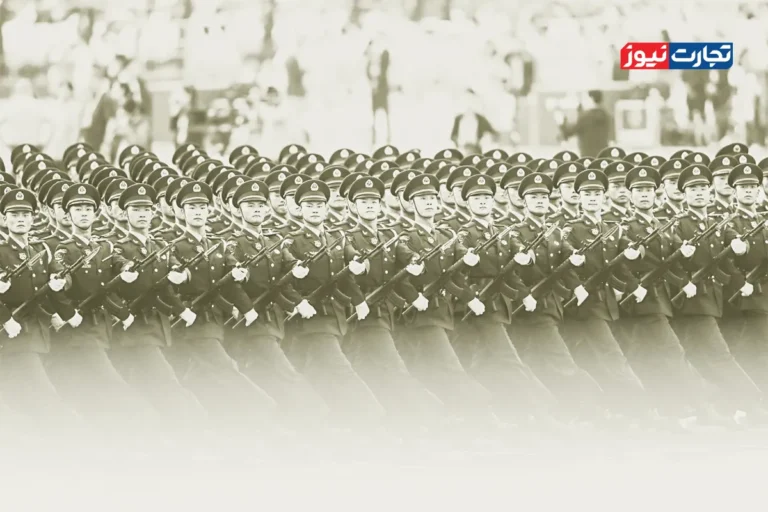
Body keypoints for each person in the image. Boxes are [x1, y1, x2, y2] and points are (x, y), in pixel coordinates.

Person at [555, 90, 612, 158]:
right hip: (603, 157)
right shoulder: (606, 115)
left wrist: (561, 122)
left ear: (591, 99)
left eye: (585, 98)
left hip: (588, 158)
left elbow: (568, 132)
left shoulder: (585, 117)